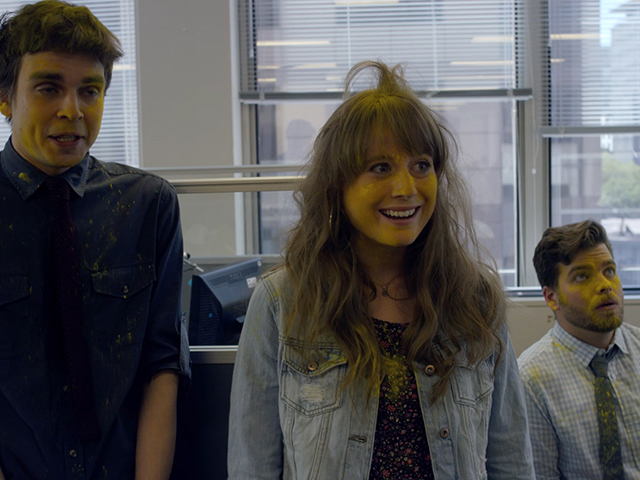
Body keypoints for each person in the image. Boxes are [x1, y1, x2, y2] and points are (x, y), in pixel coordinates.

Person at [228, 61, 534, 479]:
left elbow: (511, 461)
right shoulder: (282, 302)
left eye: (421, 165)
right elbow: (252, 466)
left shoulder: (475, 300)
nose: (407, 188)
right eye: (381, 167)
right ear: (338, 184)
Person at [0, 1, 190, 478]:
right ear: (5, 97)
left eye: (90, 90)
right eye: (49, 88)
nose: (73, 110)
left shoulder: (146, 205)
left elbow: (162, 363)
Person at [518, 220, 640, 479]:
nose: (605, 285)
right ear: (551, 298)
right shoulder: (531, 379)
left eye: (609, 270)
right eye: (582, 276)